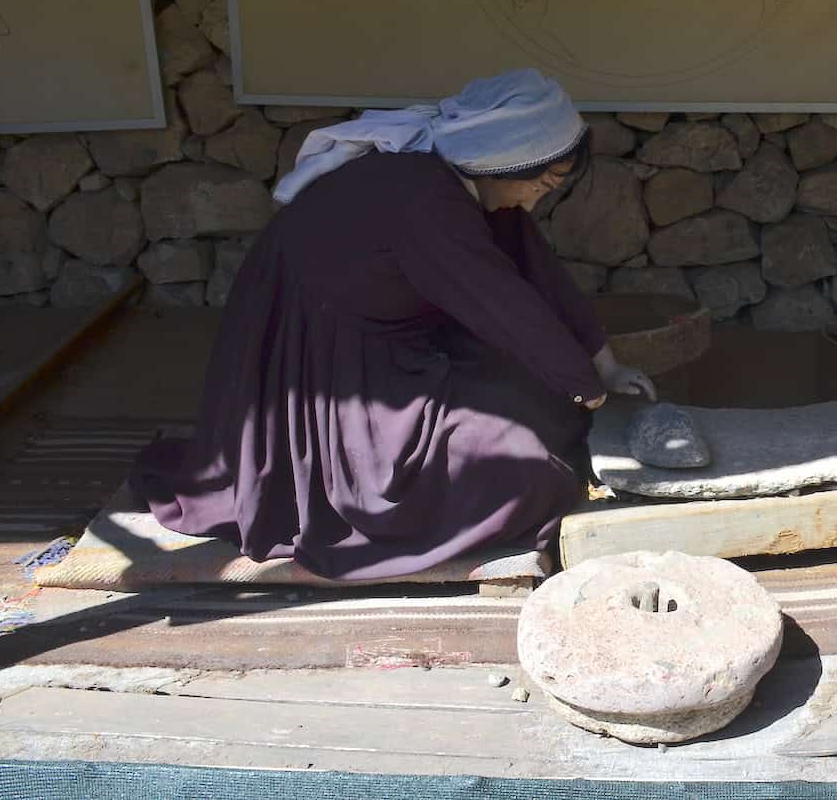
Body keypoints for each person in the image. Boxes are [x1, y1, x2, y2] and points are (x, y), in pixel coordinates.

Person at [130, 69, 655, 581]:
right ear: (506, 161)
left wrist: (602, 367)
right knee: (523, 468)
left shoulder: (466, 178)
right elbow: (503, 303)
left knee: (538, 404)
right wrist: (584, 388)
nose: (541, 195)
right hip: (327, 362)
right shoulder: (424, 197)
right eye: (543, 181)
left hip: (384, 335)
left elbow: (538, 277)